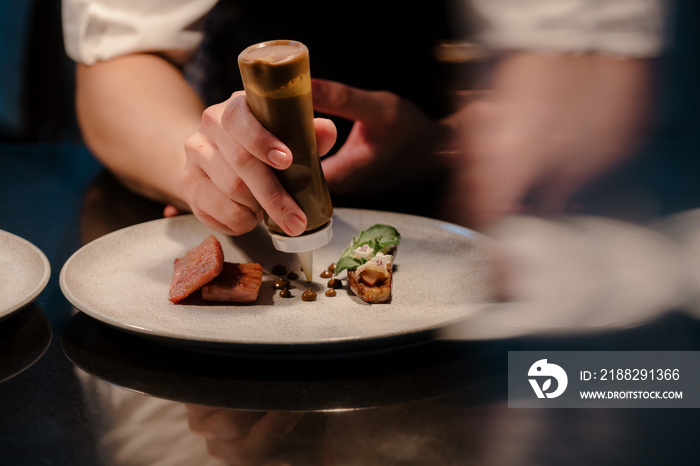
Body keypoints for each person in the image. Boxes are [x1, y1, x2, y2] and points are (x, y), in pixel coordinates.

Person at [62, 0, 668, 235]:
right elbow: (118, 60)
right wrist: (212, 165)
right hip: (247, 230)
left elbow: (581, 53)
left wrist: (453, 144)